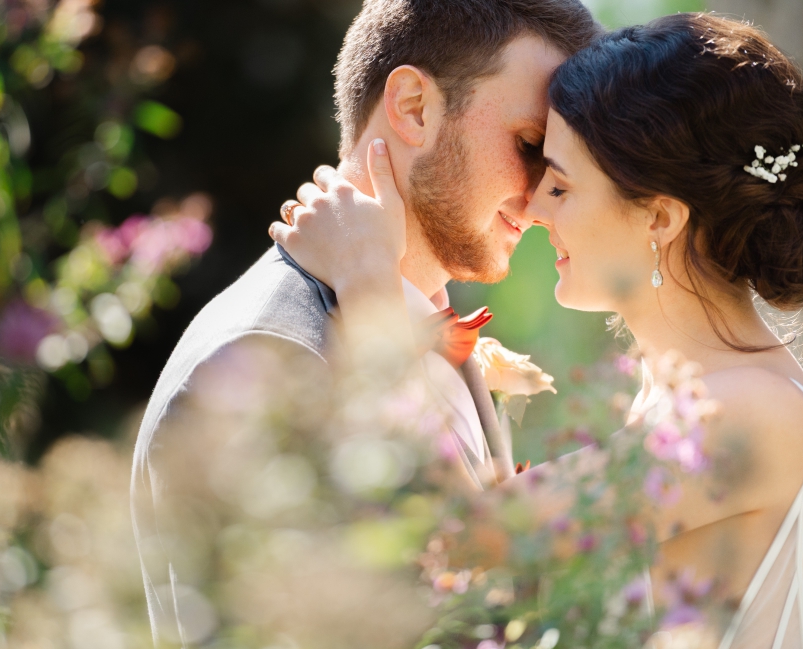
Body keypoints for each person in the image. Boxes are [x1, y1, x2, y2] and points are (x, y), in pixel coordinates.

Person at [272, 14, 803, 647]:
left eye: (561, 185)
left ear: (658, 216)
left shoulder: (747, 411)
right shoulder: (698, 391)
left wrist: (368, 281)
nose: (534, 207)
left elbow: (463, 538)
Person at [129, 1, 601, 645]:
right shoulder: (264, 353)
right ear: (413, 107)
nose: (547, 193)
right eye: (529, 146)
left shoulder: (437, 333)